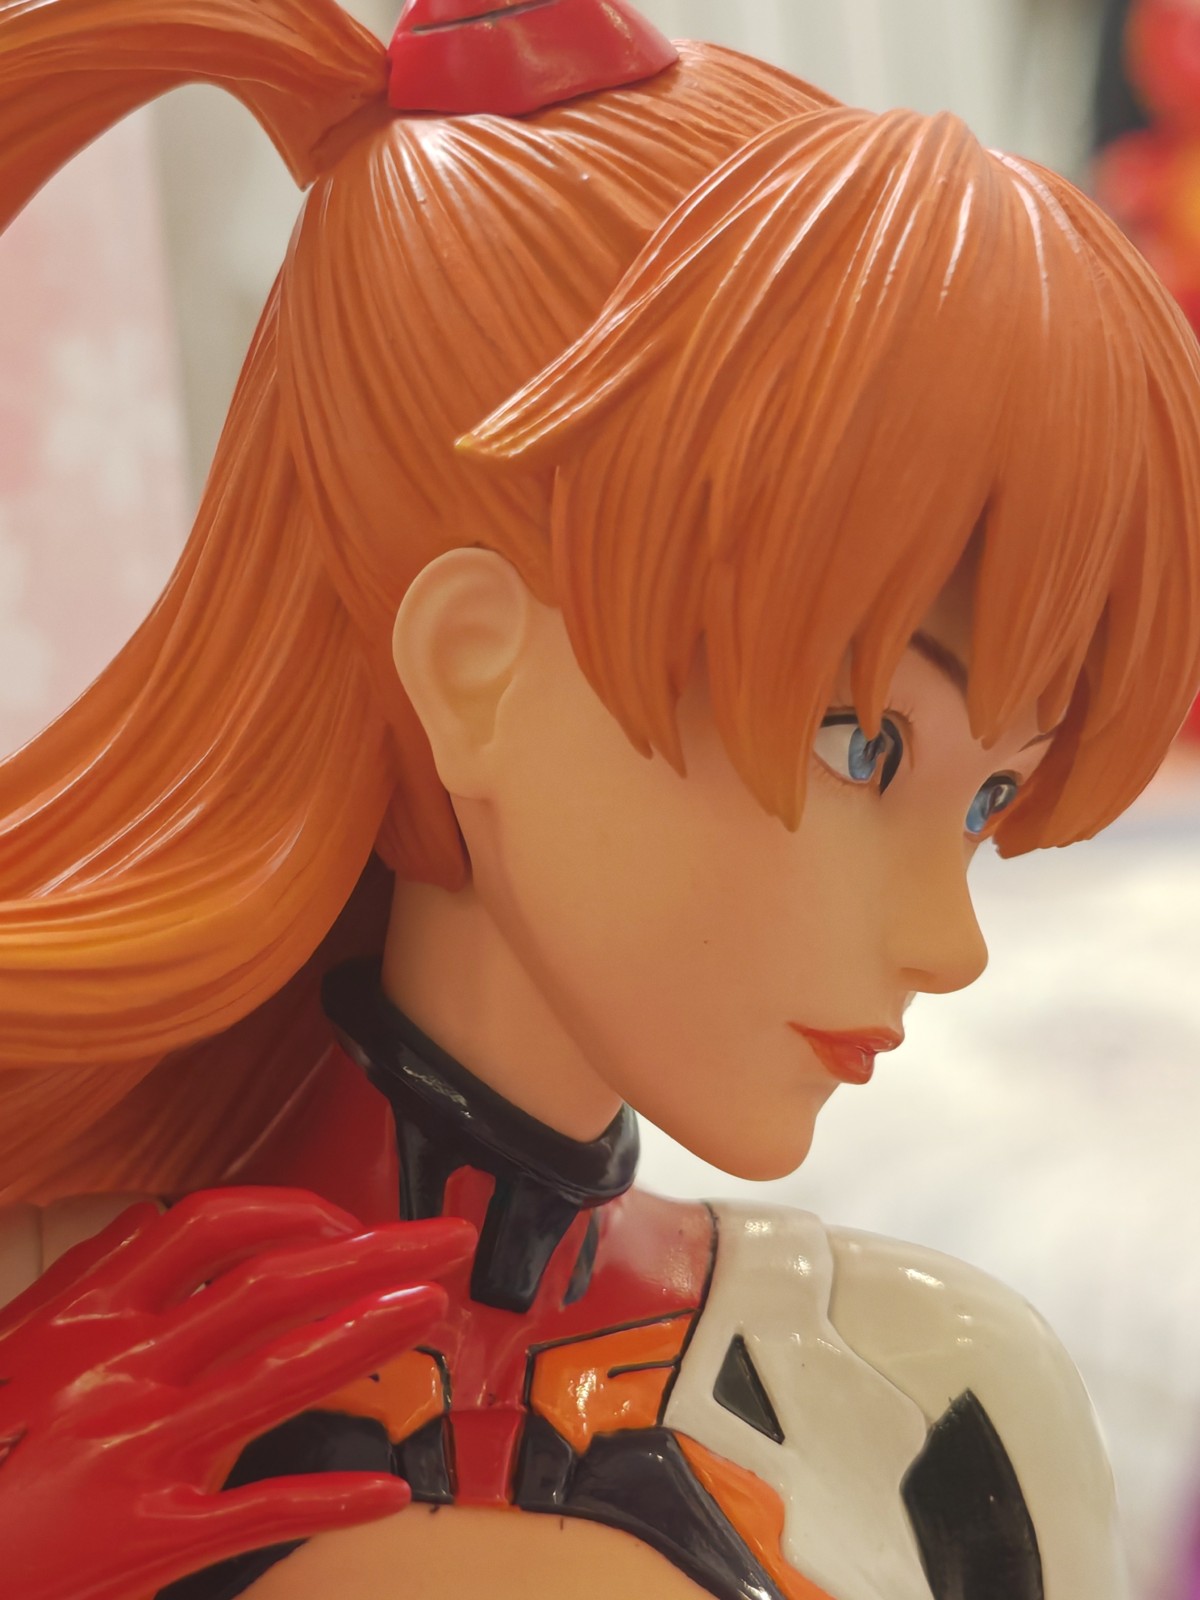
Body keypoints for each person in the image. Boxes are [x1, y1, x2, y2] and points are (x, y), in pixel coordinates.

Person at [2, 0, 1199, 1595]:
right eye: (864, 747)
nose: (951, 941)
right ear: (475, 671)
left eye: (989, 800)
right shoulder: (73, 1326)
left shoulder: (946, 1413)